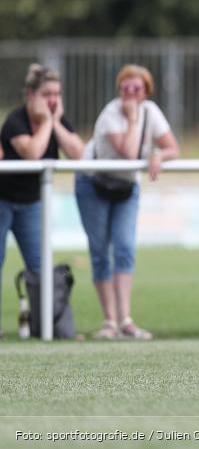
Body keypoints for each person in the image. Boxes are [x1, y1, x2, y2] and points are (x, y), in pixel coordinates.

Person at [75, 64, 179, 339]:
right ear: (119, 88)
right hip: (93, 183)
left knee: (125, 248)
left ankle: (125, 320)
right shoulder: (110, 114)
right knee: (100, 251)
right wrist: (133, 118)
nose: (130, 92)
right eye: (126, 87)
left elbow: (173, 147)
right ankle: (109, 321)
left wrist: (158, 155)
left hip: (126, 185)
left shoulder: (151, 111)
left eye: (137, 88)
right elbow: (130, 152)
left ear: (146, 92)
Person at [0, 64, 84, 337]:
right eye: (47, 94)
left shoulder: (57, 121)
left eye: (57, 94)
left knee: (40, 267)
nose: (53, 100)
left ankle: (46, 326)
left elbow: (79, 154)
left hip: (31, 204)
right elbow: (32, 153)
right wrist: (48, 122)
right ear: (30, 95)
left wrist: (55, 122)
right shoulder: (16, 121)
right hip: (3, 201)